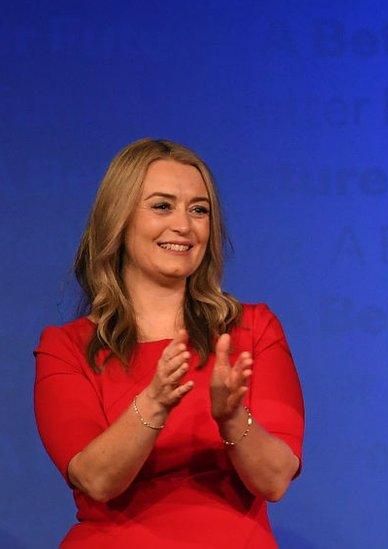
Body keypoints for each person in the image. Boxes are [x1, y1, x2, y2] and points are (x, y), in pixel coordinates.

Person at [33, 138, 305, 547]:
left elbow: (274, 480)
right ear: (118, 220)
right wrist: (155, 402)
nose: (184, 225)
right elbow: (96, 479)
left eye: (199, 210)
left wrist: (232, 418)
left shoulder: (251, 329)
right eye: (162, 206)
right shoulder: (68, 347)